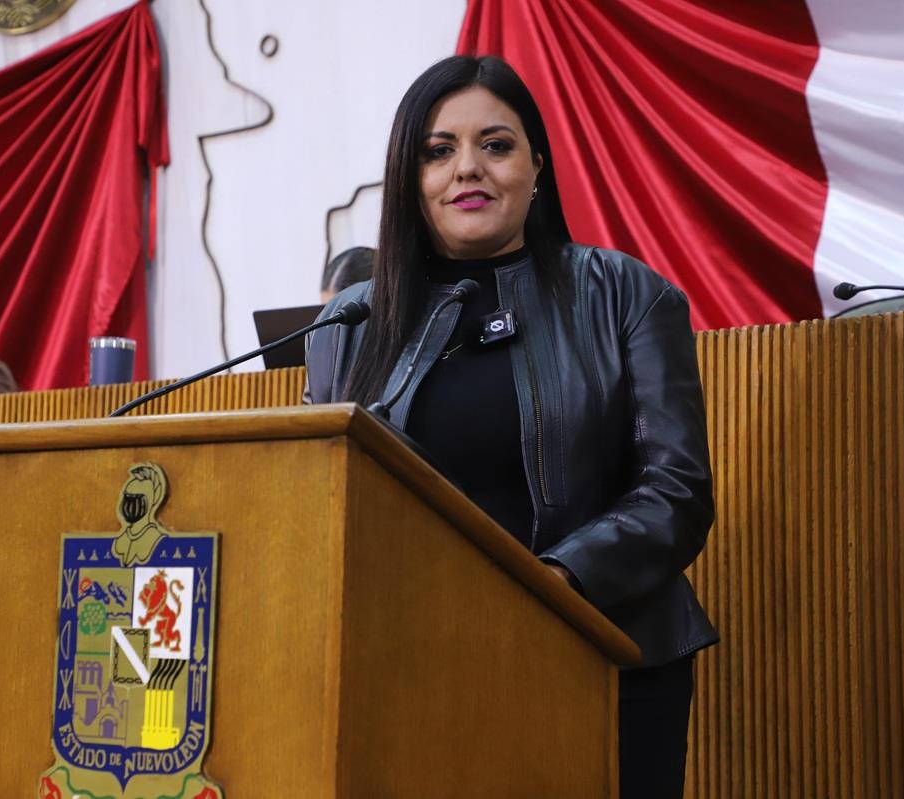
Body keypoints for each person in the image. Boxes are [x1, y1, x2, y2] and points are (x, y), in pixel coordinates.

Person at [303, 55, 716, 798]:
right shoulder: (350, 321)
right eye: (439, 150)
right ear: (411, 177)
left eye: (495, 145)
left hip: (605, 658)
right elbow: (323, 502)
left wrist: (551, 583)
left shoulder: (625, 294)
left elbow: (676, 487)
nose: (468, 169)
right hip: (413, 673)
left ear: (537, 167)